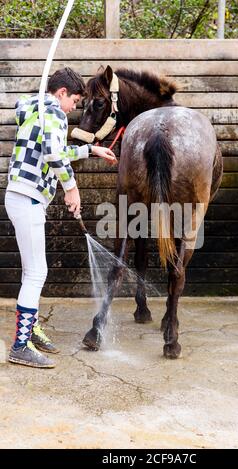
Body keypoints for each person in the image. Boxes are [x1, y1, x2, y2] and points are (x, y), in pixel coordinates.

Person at [5, 67, 117, 368]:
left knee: (32, 270)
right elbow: (54, 156)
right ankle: (21, 344)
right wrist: (72, 188)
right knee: (36, 272)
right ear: (62, 93)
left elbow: (53, 150)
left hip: (22, 196)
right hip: (27, 197)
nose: (74, 109)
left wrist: (91, 149)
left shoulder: (37, 110)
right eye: (75, 102)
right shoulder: (53, 111)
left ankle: (31, 330)